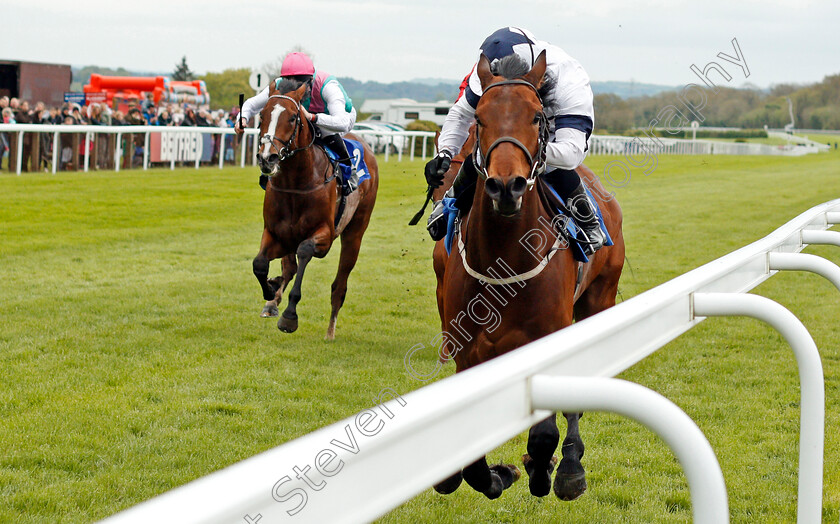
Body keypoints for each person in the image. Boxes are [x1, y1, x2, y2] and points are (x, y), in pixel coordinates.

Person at [424, 27, 605, 256]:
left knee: (550, 166)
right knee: (483, 154)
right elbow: (461, 115)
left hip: (550, 120)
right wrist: (445, 153)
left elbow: (572, 152)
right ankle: (448, 204)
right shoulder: (488, 71)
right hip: (505, 117)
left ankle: (588, 220)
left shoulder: (567, 80)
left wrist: (523, 149)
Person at [235, 52, 358, 193]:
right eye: (290, 82)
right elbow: (252, 104)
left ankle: (348, 169)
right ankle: (269, 169)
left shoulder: (328, 86)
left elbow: (341, 122)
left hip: (340, 118)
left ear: (310, 79)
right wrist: (242, 118)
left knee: (323, 132)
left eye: (299, 83)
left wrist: (312, 117)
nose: (294, 87)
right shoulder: (279, 85)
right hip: (303, 116)